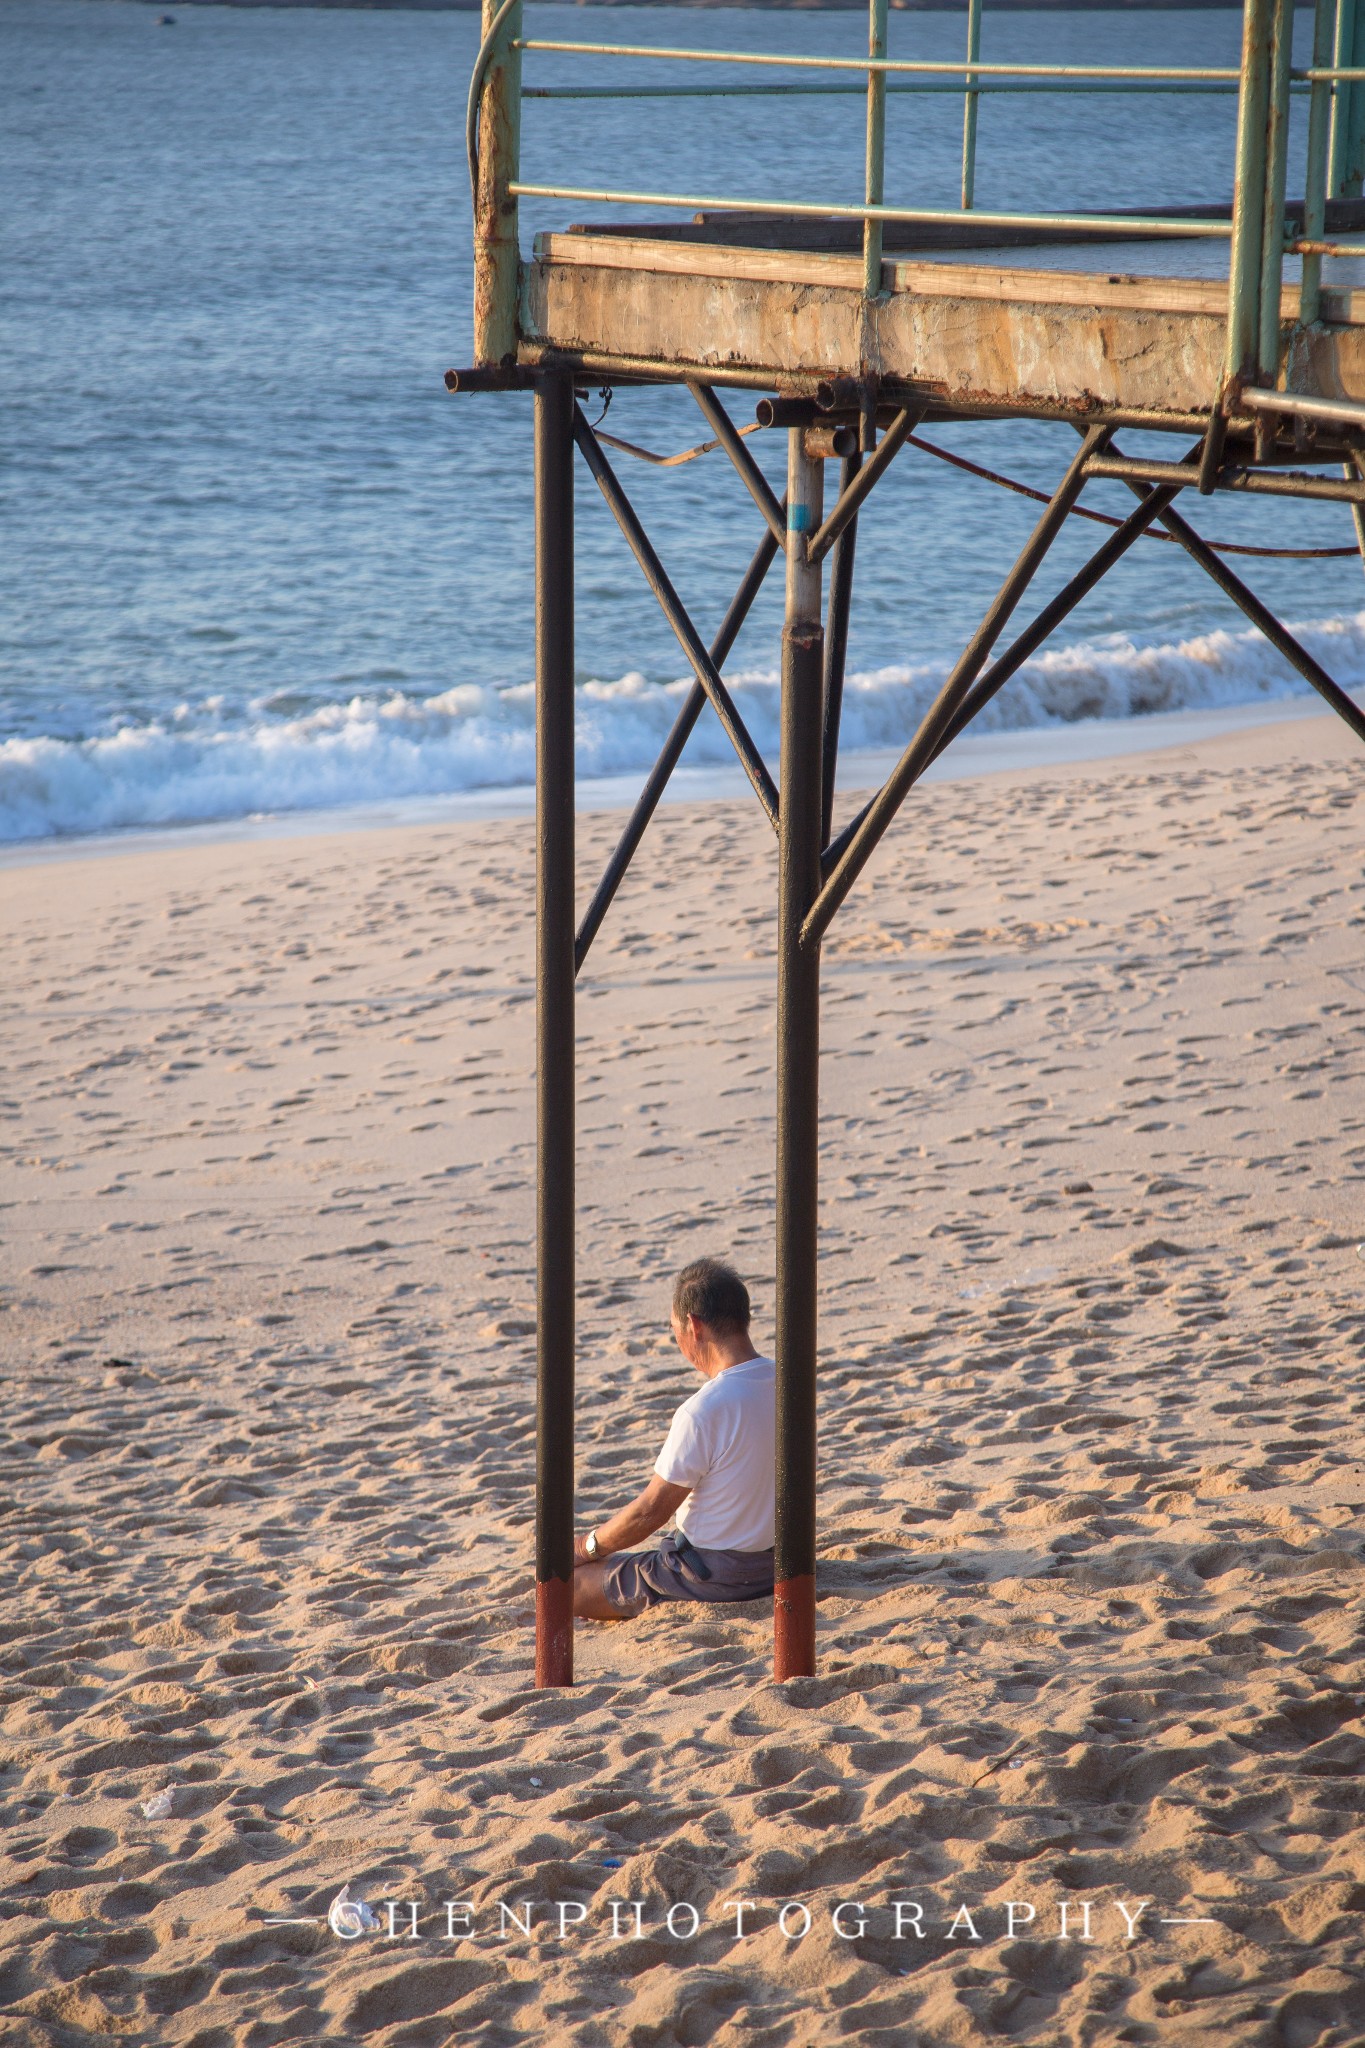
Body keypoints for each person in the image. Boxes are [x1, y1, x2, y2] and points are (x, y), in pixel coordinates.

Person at [572, 1257, 776, 1619]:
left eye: (674, 1328)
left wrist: (587, 1547)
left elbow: (649, 1512)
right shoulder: (789, 1381)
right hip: (778, 1563)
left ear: (694, 1326)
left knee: (560, 1587)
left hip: (714, 1576)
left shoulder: (704, 1410)